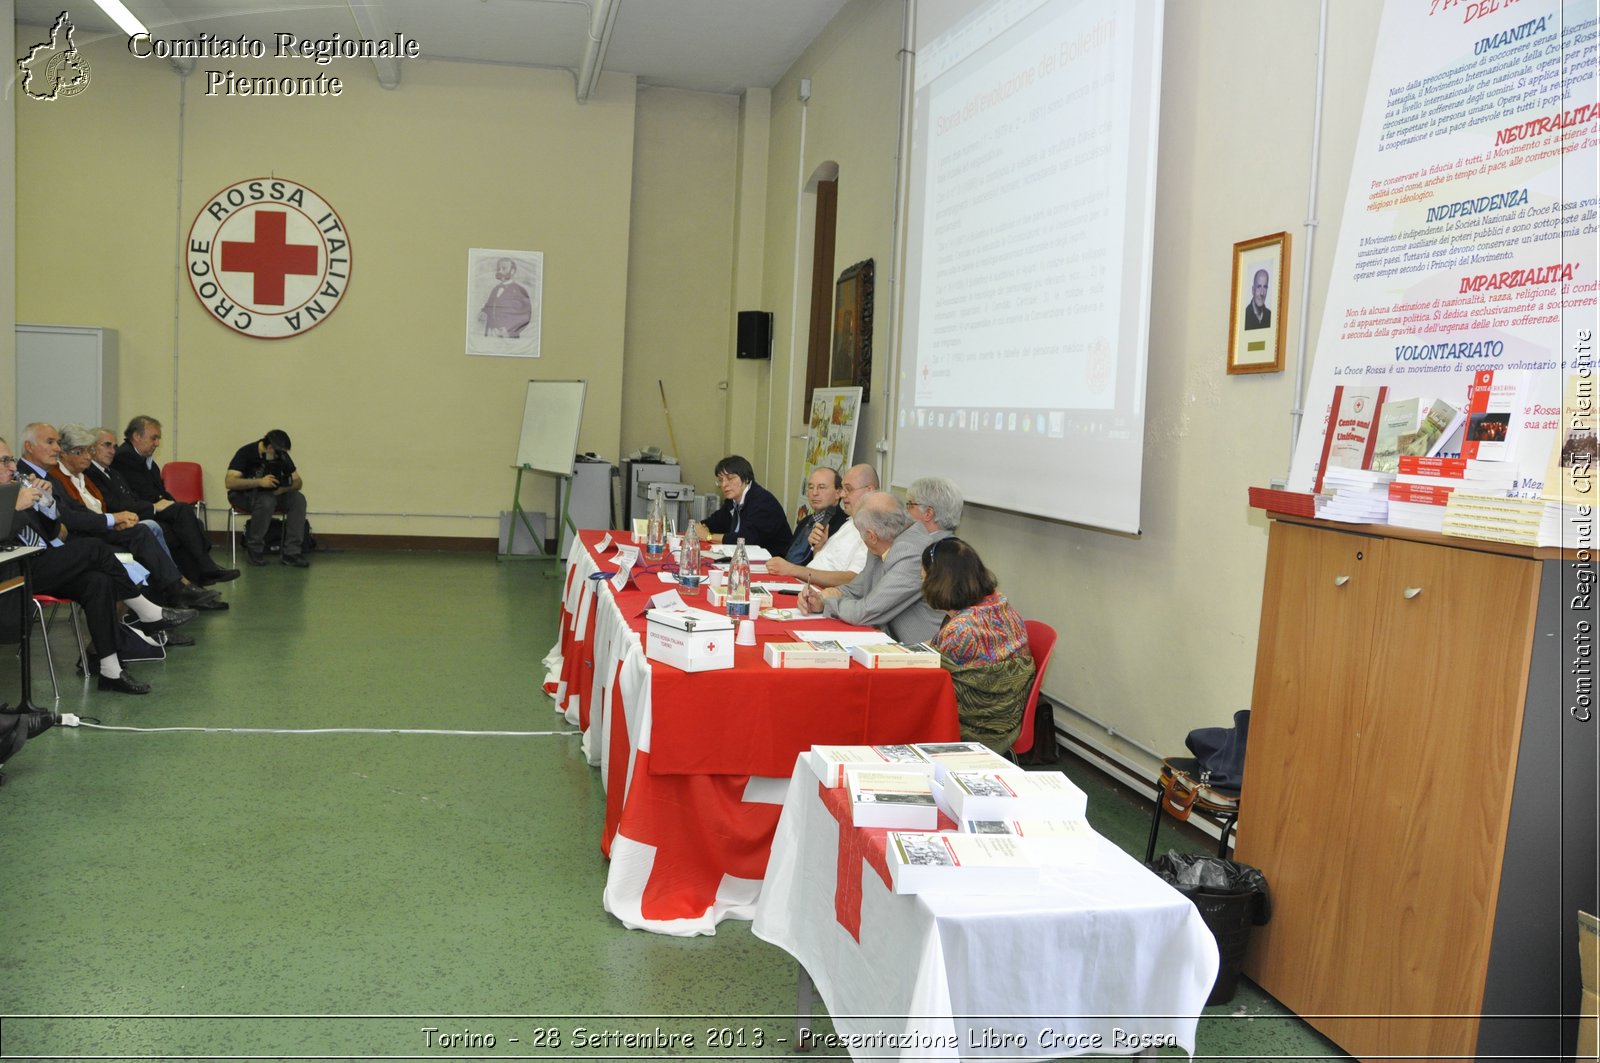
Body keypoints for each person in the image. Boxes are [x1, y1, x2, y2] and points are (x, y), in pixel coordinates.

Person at [0, 436, 196, 695]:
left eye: (11, 459)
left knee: (98, 582)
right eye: (4, 461)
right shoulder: (12, 497)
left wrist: (45, 502)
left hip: (39, 563)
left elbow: (51, 531)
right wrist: (16, 506)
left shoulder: (14, 489)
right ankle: (147, 612)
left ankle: (110, 669)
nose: (12, 467)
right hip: (14, 575)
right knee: (94, 548)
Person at [24, 423, 216, 610]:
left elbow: (78, 510)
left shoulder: (73, 476)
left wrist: (112, 521)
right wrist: (112, 520)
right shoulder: (43, 476)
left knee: (153, 530)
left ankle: (172, 596)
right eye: (79, 451)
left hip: (88, 531)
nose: (87, 456)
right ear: (29, 447)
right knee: (135, 543)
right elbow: (69, 517)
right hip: (69, 542)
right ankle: (164, 602)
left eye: (88, 450)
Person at [921, 537, 1035, 753]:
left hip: (976, 725)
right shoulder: (1000, 604)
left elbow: (931, 679)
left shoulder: (961, 631)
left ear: (937, 580)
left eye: (923, 573)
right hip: (1006, 716)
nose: (921, 578)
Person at [795, 491, 947, 644]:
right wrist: (820, 598)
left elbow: (866, 611)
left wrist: (829, 603)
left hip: (925, 655)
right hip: (890, 643)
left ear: (871, 536)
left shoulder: (912, 554)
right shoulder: (886, 541)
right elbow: (857, 589)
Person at [110, 416, 240, 584]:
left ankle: (198, 580)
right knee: (182, 515)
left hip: (150, 507)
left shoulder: (146, 461)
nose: (157, 443)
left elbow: (160, 490)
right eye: (154, 438)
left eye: (158, 439)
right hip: (140, 510)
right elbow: (143, 492)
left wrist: (169, 502)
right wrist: (165, 503)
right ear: (136, 436)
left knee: (185, 523)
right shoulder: (125, 457)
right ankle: (205, 569)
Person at [767, 462, 874, 587]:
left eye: (848, 489)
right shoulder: (849, 523)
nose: (843, 495)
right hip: (804, 586)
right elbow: (823, 563)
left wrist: (792, 570)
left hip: (819, 593)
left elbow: (854, 579)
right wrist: (818, 548)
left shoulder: (871, 529)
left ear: (869, 491)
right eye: (811, 487)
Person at [226, 429, 309, 567]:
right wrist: (259, 482)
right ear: (270, 447)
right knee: (267, 500)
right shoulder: (246, 453)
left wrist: (283, 489)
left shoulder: (281, 455)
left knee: (298, 499)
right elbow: (230, 482)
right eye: (278, 452)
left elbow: (298, 482)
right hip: (244, 495)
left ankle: (292, 552)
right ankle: (254, 548)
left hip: (273, 494)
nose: (280, 455)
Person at [693, 455, 792, 556]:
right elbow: (713, 522)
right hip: (742, 557)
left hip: (772, 562)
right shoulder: (733, 501)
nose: (724, 485)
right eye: (721, 480)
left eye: (730, 479)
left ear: (746, 479)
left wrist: (709, 536)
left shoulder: (763, 502)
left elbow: (746, 539)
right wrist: (701, 528)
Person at [780, 466, 847, 566]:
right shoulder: (805, 521)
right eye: (811, 487)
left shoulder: (843, 526)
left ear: (838, 493)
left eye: (821, 487)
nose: (814, 493)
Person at [478, 257, 532, 338]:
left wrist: (508, 331)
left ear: (512, 271)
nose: (500, 271)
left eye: (504, 268)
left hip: (508, 337)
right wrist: (483, 312)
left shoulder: (520, 290)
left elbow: (525, 316)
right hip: (491, 334)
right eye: (498, 268)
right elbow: (488, 306)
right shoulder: (495, 289)